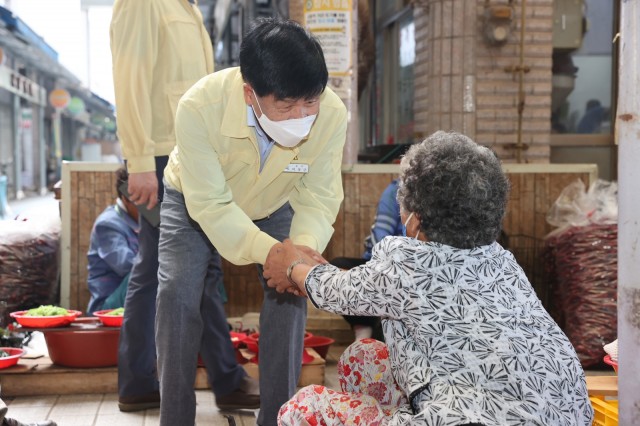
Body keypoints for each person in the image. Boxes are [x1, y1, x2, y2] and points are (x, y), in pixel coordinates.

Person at [264, 131, 594, 425]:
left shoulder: (408, 260)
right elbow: (365, 286)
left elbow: (333, 290)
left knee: (302, 408)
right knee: (362, 357)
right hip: (561, 413)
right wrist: (313, 271)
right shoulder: (502, 261)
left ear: (415, 218)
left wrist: (291, 267)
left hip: (469, 416)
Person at [156, 18, 347, 426]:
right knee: (177, 294)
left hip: (277, 200)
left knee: (291, 291)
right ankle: (174, 418)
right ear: (250, 93)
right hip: (193, 199)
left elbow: (319, 194)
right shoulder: (198, 107)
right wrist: (272, 252)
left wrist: (299, 254)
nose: (302, 115)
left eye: (309, 102)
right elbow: (212, 204)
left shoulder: (331, 113)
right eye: (286, 105)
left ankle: (278, 417)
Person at [109, 0, 238, 413]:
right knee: (192, 268)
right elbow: (129, 81)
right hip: (163, 156)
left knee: (157, 270)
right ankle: (225, 379)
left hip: (190, 152)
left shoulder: (189, 8)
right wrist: (140, 163)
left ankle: (139, 380)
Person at [330, 179, 402, 340]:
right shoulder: (395, 191)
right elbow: (380, 237)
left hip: (414, 272)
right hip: (385, 264)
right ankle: (363, 325)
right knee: (336, 268)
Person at [86, 167, 139, 315]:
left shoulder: (143, 221)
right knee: (146, 272)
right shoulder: (108, 224)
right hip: (108, 306)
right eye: (141, 199)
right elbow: (127, 266)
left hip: (132, 300)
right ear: (125, 199)